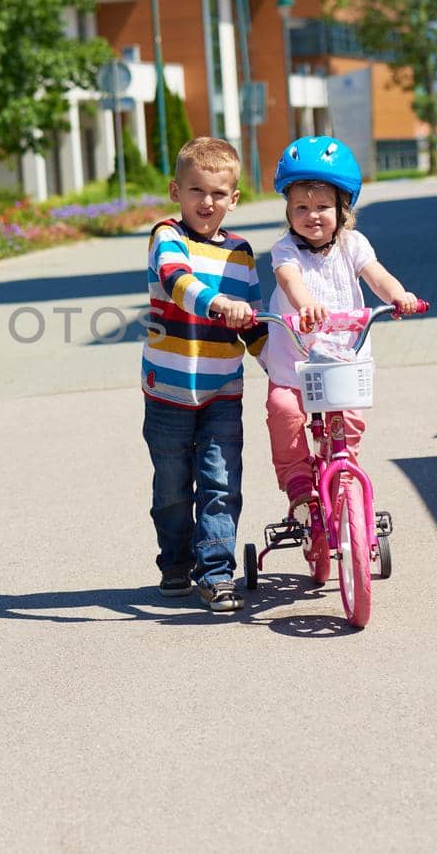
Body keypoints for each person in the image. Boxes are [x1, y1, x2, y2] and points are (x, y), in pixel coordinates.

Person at [262, 136, 420, 522]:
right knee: (283, 409)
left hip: (343, 357)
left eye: (322, 207)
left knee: (347, 416)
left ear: (342, 208)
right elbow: (288, 280)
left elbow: (376, 276)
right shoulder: (285, 250)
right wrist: (305, 306)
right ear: (288, 210)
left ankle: (344, 471)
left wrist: (399, 296)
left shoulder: (352, 244)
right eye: (300, 206)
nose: (311, 215)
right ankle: (298, 480)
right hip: (294, 359)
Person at [141, 137, 265, 613]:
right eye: (196, 190)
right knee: (173, 488)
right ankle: (174, 563)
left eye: (217, 193)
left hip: (222, 392)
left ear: (233, 199)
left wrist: (277, 362)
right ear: (176, 191)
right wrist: (217, 304)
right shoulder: (166, 235)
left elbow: (251, 322)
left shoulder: (242, 253)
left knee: (219, 483)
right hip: (168, 390)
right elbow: (177, 281)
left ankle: (216, 574)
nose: (206, 202)